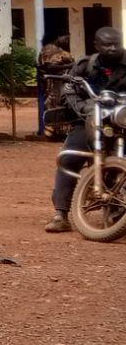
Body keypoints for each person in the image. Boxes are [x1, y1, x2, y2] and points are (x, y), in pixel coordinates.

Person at [46, 27, 126, 233]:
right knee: (69, 158)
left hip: (122, 122)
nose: (113, 48)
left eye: (116, 44)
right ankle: (61, 214)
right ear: (97, 46)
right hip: (89, 120)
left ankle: (117, 211)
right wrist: (85, 107)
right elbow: (68, 93)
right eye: (107, 45)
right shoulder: (85, 66)